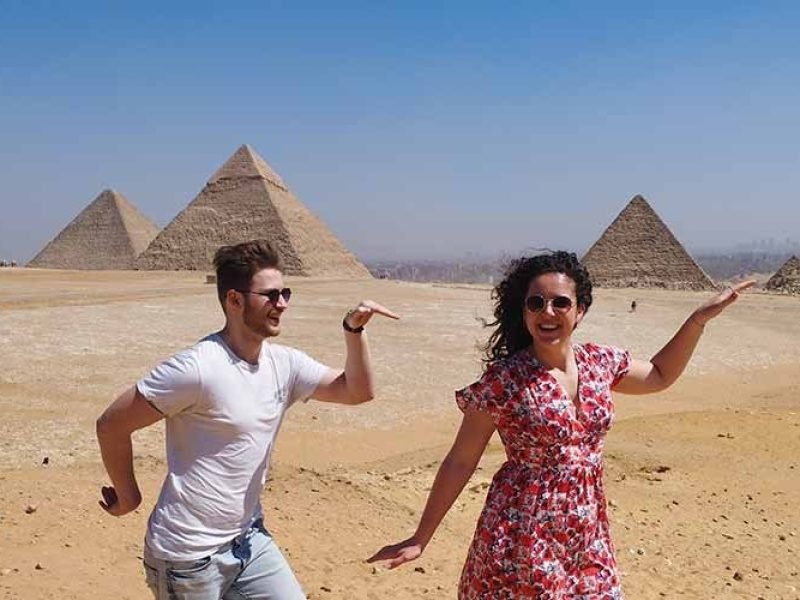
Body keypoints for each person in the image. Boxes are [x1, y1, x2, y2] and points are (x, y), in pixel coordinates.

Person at [369, 251, 752, 599]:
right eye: (535, 303)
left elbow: (660, 374)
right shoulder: (504, 381)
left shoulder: (600, 362)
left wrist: (697, 320)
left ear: (580, 310)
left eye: (560, 302)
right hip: (522, 532)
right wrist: (422, 537)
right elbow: (461, 460)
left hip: (586, 531)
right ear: (524, 312)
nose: (547, 312)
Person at [97, 239, 398, 600]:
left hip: (249, 540)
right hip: (188, 556)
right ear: (234, 300)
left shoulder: (284, 364)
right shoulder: (197, 368)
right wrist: (128, 496)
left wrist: (353, 330)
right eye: (270, 295)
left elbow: (357, 391)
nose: (282, 304)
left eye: (285, 292)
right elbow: (111, 423)